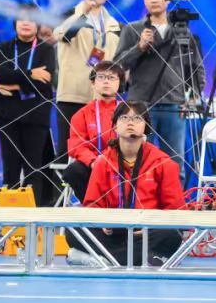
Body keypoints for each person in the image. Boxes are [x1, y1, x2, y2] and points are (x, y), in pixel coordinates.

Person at [66, 101, 185, 268]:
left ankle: (105, 259)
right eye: (124, 118)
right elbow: (93, 204)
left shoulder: (163, 163)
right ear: (115, 126)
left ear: (146, 127)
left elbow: (176, 211)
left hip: (147, 232)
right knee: (73, 230)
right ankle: (141, 259)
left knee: (172, 234)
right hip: (113, 231)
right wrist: (102, 223)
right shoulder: (103, 162)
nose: (130, 122)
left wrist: (151, 226)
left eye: (137, 118)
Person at [114, 0, 204, 176]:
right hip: (140, 106)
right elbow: (118, 65)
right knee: (136, 161)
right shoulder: (132, 29)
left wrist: (193, 98)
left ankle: (173, 197)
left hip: (174, 106)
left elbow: (197, 67)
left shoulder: (182, 31)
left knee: (174, 163)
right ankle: (137, 195)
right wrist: (139, 47)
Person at [0, 9, 57, 205]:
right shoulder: (4, 47)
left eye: (31, 20)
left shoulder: (45, 50)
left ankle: (33, 212)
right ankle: (9, 214)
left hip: (35, 115)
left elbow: (44, 82)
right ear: (15, 24)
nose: (26, 23)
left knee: (33, 167)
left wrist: (13, 85)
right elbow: (0, 74)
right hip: (6, 114)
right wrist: (30, 74)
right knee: (10, 166)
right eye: (21, 19)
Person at [52, 0, 120, 161]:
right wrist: (84, 12)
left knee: (102, 152)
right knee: (67, 154)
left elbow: (117, 62)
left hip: (102, 99)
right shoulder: (69, 15)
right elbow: (60, 35)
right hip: (72, 95)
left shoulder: (114, 25)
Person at [61, 61, 123, 202]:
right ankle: (93, 207)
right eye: (101, 77)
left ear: (120, 83)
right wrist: (93, 161)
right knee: (73, 171)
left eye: (111, 78)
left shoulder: (129, 112)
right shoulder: (81, 114)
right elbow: (77, 145)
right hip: (93, 164)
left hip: (123, 164)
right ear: (93, 83)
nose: (106, 81)